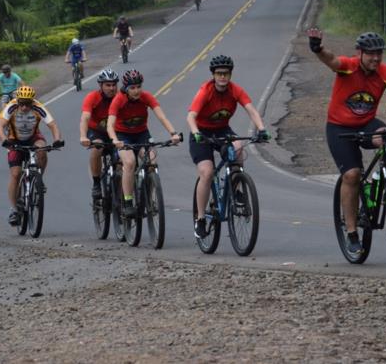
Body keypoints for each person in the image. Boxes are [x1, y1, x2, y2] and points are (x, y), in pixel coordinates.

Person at [307, 28, 386, 255]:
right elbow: (332, 61)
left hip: (366, 123)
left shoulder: (384, 71)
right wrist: (318, 48)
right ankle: (352, 232)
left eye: (379, 53)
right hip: (339, 128)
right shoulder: (349, 66)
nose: (376, 58)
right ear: (359, 53)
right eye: (370, 53)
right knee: (352, 175)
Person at [187, 55, 270, 239]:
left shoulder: (235, 90)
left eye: (226, 73)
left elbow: (251, 110)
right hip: (201, 133)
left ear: (230, 75)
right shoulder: (205, 91)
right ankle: (200, 219)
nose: (222, 77)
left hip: (222, 130)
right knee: (207, 173)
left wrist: (262, 129)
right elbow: (191, 116)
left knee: (239, 147)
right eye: (219, 73)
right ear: (213, 75)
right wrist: (196, 133)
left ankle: (236, 187)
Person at [106, 70, 182, 218]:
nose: (136, 91)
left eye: (138, 86)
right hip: (123, 136)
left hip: (142, 134)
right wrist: (115, 140)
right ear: (126, 89)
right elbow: (110, 125)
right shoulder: (119, 100)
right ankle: (128, 201)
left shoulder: (146, 97)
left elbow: (162, 117)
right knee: (129, 162)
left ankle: (149, 195)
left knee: (152, 160)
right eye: (132, 88)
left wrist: (173, 134)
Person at [0, 86, 63, 225]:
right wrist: (4, 140)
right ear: (17, 100)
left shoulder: (38, 107)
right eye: (22, 103)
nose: (25, 107)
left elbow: (53, 125)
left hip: (33, 137)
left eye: (28, 103)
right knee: (15, 174)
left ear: (32, 101)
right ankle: (14, 209)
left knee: (42, 150)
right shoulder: (11, 106)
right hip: (14, 139)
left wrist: (57, 140)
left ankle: (39, 179)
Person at [79, 69, 119, 200]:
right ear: (100, 85)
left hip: (115, 131)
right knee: (98, 148)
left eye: (114, 85)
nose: (111, 88)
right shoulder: (92, 97)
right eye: (108, 85)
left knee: (121, 158)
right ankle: (96, 184)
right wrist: (83, 136)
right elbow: (85, 118)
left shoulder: (120, 97)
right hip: (97, 131)